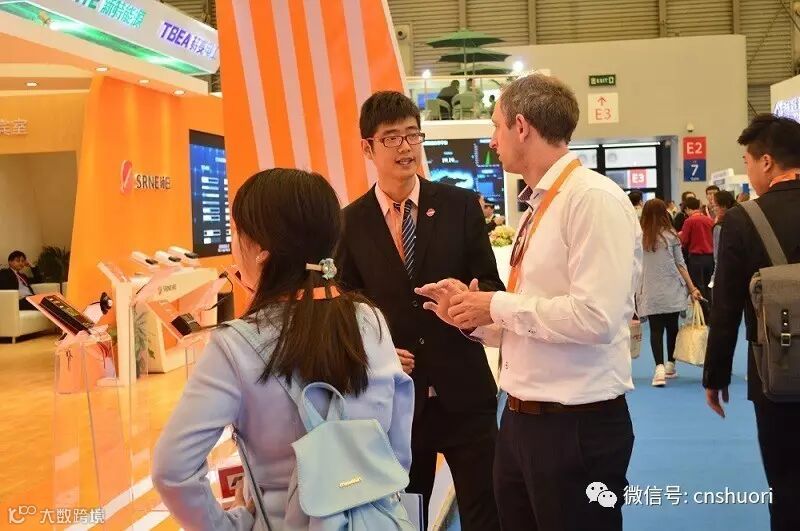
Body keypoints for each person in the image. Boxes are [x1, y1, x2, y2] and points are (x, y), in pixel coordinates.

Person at [417, 74, 641, 531]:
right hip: (522, 420)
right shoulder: (540, 205)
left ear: (521, 127)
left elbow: (595, 318)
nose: (492, 141)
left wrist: (496, 305)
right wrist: (470, 316)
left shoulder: (592, 200)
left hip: (574, 426)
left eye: (495, 127)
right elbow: (534, 318)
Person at [152, 168, 414, 530]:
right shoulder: (369, 320)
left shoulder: (235, 345)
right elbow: (398, 441)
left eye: (237, 233)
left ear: (261, 251)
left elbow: (172, 470)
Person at [337, 91, 503, 530]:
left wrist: (466, 301)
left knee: (487, 511)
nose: (406, 147)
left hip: (465, 390)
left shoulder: (460, 206)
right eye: (391, 138)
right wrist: (375, 352)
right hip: (396, 400)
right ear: (368, 148)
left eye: (413, 135)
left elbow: (490, 285)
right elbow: (346, 309)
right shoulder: (349, 223)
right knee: (406, 516)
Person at [704, 114, 800, 531]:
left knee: (787, 483)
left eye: (747, 160)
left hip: (776, 373)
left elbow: (725, 307)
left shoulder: (743, 220)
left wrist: (715, 375)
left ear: (766, 162)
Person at [637, 199, 702, 387]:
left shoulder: (638, 237)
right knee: (672, 327)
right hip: (672, 287)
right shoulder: (672, 236)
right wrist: (692, 288)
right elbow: (680, 264)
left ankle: (658, 368)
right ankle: (670, 365)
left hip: (650, 290)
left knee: (655, 330)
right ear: (664, 213)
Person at [679, 195, 714, 317]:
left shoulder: (689, 221)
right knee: (710, 286)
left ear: (687, 208)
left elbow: (684, 241)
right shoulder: (709, 220)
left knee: (698, 287)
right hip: (710, 258)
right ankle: (712, 313)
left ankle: (704, 315)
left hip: (696, 258)